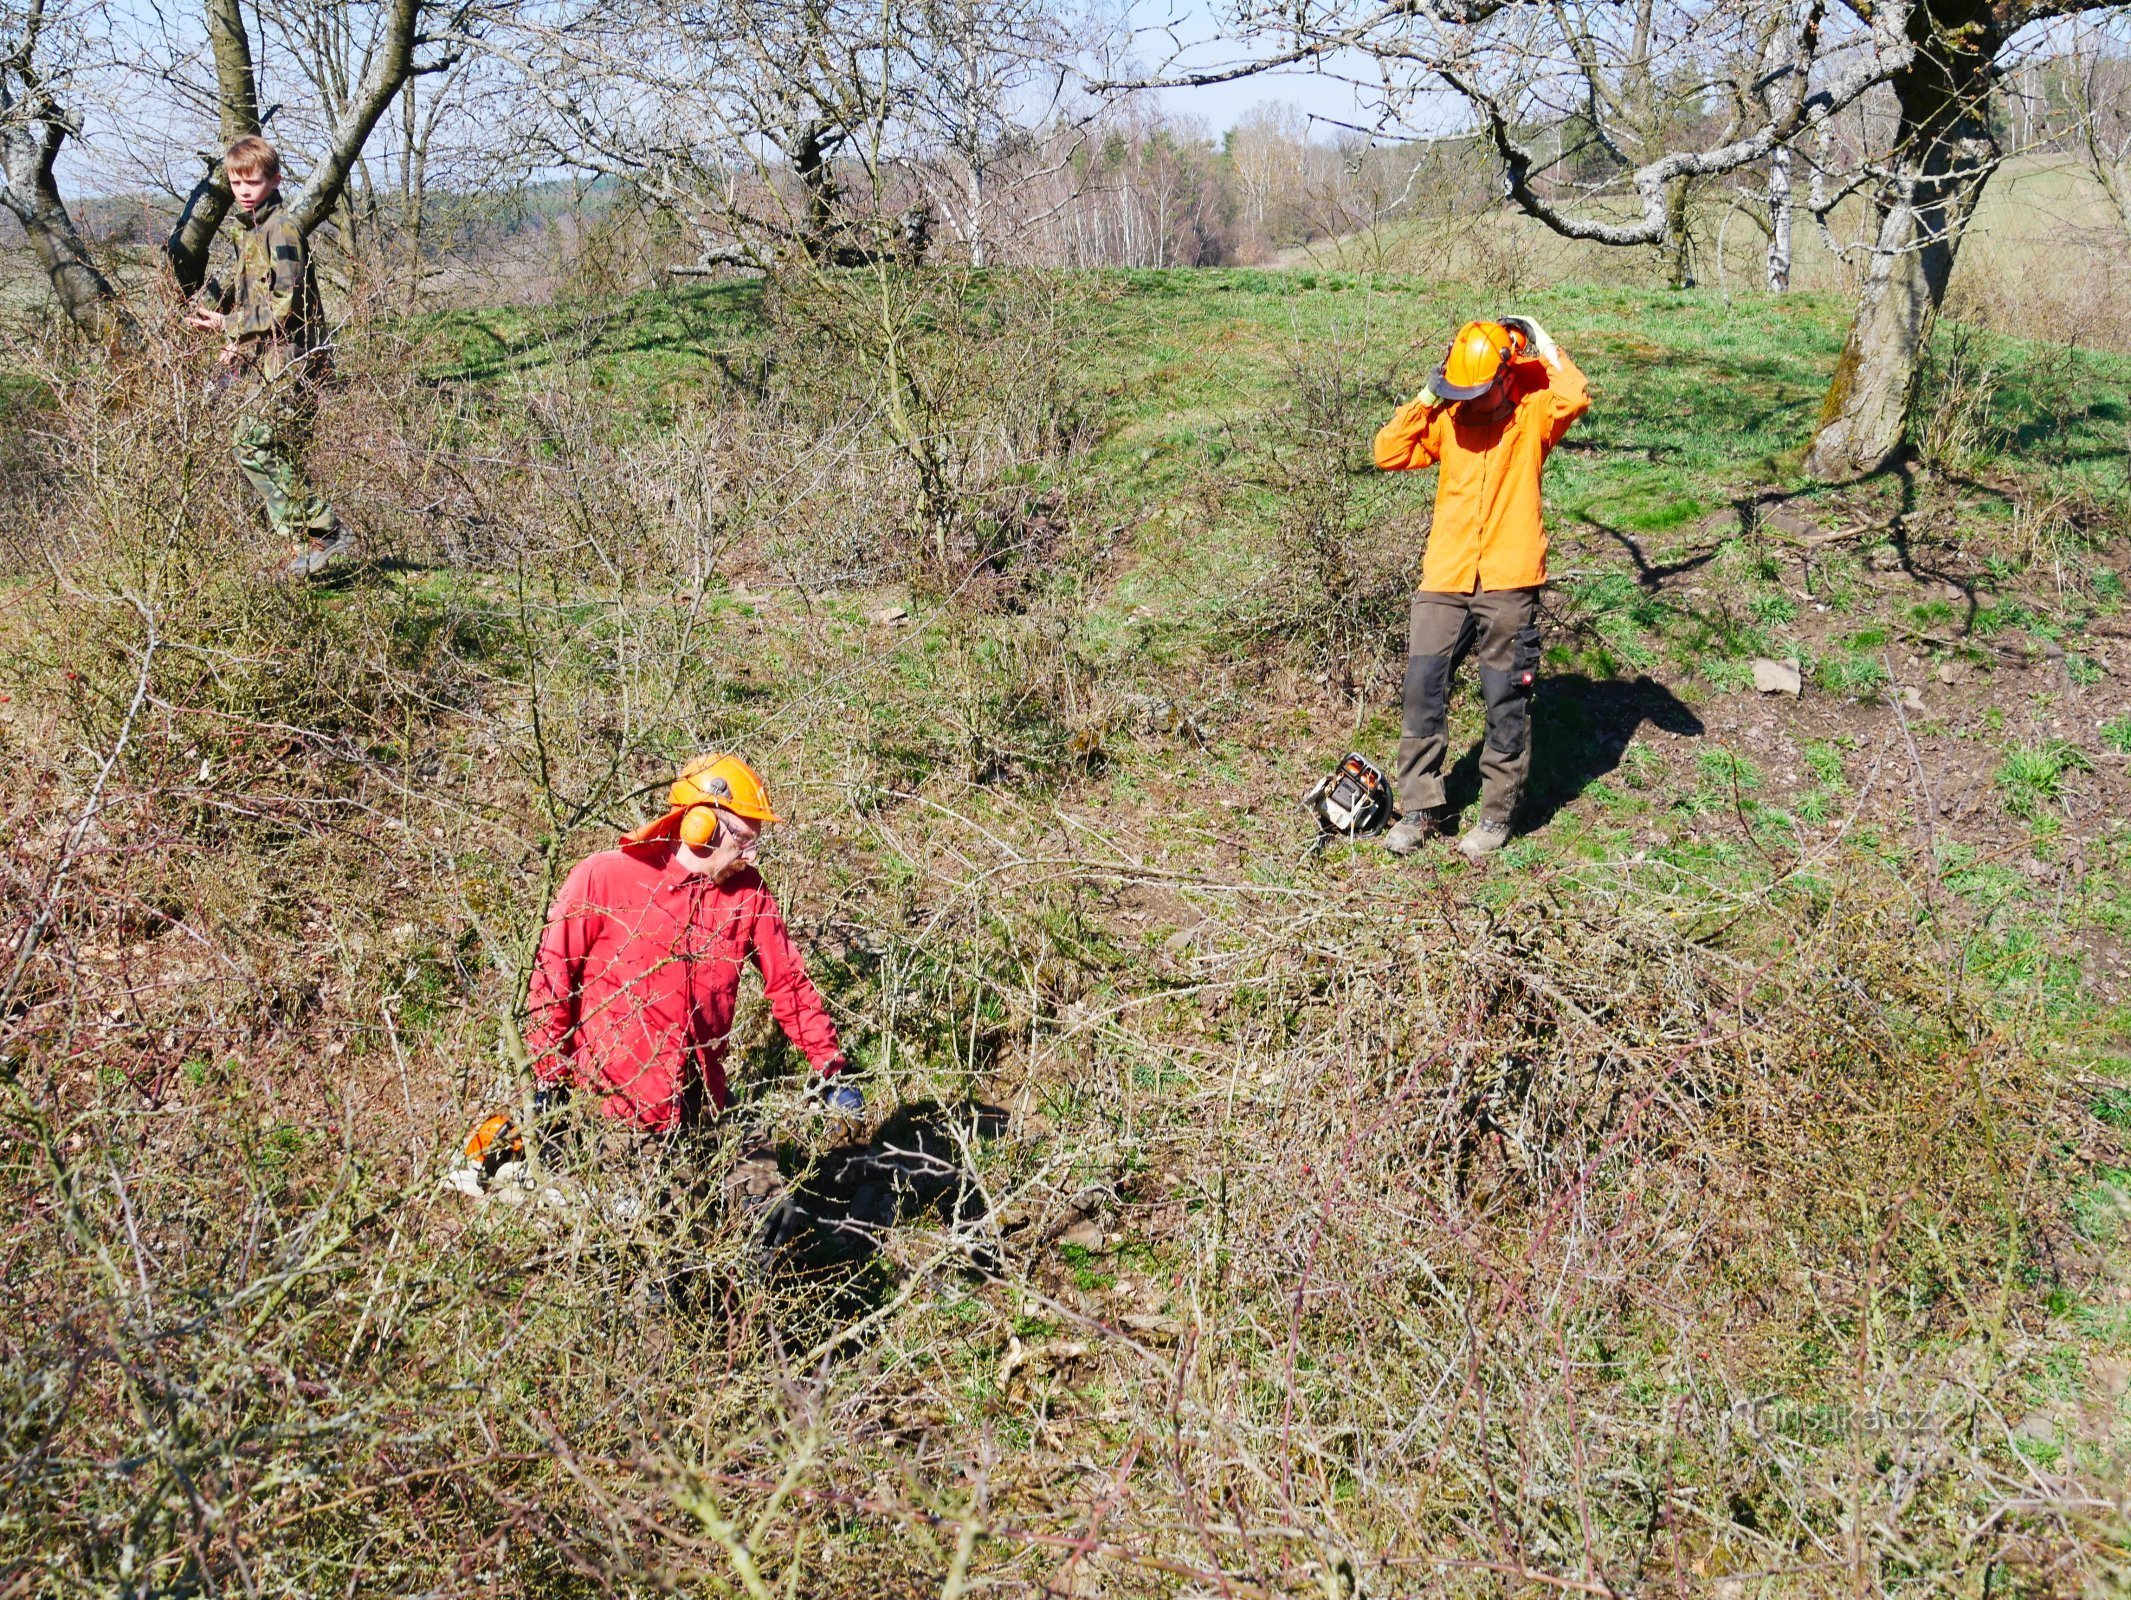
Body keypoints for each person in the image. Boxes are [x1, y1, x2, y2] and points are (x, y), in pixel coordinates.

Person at [524, 754, 862, 1231]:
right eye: (744, 840)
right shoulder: (603, 877)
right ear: (702, 824)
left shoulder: (748, 893)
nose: (752, 855)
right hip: (614, 1110)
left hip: (703, 1100)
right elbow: (551, 982)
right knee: (657, 1247)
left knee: (773, 1216)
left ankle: (754, 1298)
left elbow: (787, 981)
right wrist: (545, 1081)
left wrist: (830, 1068)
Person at [1371, 316, 1590, 863]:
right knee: (1422, 688)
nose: (1466, 402)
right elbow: (1387, 451)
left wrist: (1540, 344)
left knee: (1505, 700)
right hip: (1445, 575)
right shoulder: (1446, 417)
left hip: (1509, 580)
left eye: (1477, 391)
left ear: (1504, 377)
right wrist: (1429, 393)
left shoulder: (1534, 413)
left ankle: (1495, 816)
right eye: (1458, 391)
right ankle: (1421, 808)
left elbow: (1575, 394)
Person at [183, 135, 353, 579]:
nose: (243, 189)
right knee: (281, 450)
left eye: (252, 181)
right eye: (236, 181)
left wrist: (228, 327)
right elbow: (250, 299)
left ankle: (327, 527)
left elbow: (286, 303)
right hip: (267, 354)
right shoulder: (251, 231)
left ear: (274, 180)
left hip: (291, 355)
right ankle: (310, 554)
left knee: (252, 444)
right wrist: (235, 345)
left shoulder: (282, 228)